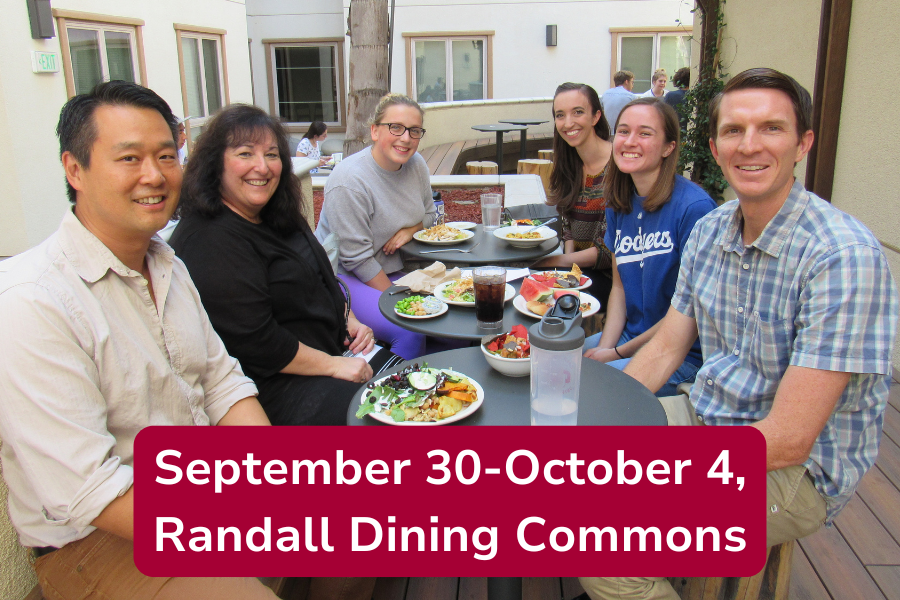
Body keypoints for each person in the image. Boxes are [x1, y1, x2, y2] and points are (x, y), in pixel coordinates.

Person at [579, 68, 899, 599]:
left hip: (796, 470)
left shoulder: (841, 257)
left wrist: (663, 470)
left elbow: (792, 436)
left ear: (803, 143)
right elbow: (666, 346)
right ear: (715, 145)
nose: (749, 145)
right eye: (734, 130)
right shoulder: (712, 229)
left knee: (605, 551)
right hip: (709, 417)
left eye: (771, 128)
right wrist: (610, 419)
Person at [0, 81, 277, 599]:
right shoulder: (31, 301)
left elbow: (222, 383)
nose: (154, 175)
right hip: (102, 541)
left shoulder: (166, 261)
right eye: (129, 158)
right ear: (74, 169)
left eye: (166, 156)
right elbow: (89, 492)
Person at [170, 104, 394, 428]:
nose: (262, 167)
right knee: (392, 427)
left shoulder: (278, 214)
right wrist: (332, 365)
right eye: (245, 154)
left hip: (336, 355)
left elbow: (324, 277)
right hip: (280, 386)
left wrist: (349, 318)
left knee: (420, 387)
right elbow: (259, 342)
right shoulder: (208, 238)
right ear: (215, 163)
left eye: (272, 155)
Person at [582, 98, 716, 396]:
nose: (630, 141)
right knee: (550, 363)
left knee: (589, 391)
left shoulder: (694, 209)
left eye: (645, 133)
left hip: (679, 355)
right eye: (623, 131)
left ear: (669, 147)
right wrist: (606, 347)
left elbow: (689, 312)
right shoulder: (620, 202)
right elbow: (619, 288)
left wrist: (616, 354)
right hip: (627, 336)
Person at [316, 92, 436, 359]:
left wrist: (411, 229)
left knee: (447, 318)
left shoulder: (416, 166)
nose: (406, 138)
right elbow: (357, 259)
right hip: (343, 277)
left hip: (395, 270)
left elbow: (430, 215)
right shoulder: (349, 181)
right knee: (411, 327)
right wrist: (402, 300)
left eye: (414, 131)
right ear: (374, 131)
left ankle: (441, 381)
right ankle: (402, 395)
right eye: (396, 127)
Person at [535, 82, 614, 309]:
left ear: (596, 116)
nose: (568, 123)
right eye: (560, 115)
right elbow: (567, 227)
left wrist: (556, 262)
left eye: (578, 112)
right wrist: (565, 269)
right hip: (577, 271)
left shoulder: (617, 168)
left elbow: (608, 251)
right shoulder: (570, 164)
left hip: (610, 281)